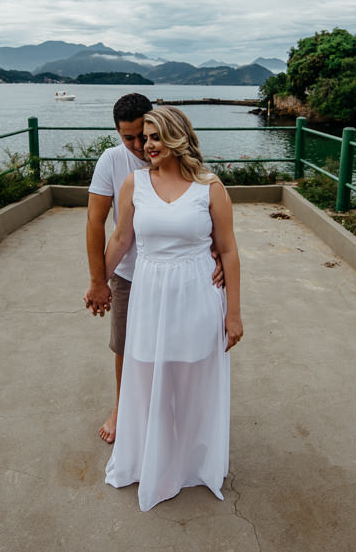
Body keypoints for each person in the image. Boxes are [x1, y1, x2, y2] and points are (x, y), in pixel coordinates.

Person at [102, 106, 243, 511]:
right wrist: (98, 281)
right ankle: (153, 457)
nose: (146, 145)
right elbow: (120, 240)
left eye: (154, 137)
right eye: (143, 138)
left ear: (177, 138)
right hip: (149, 297)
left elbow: (230, 251)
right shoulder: (134, 184)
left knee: (189, 377)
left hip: (197, 294)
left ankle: (188, 462)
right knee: (146, 374)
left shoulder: (210, 187)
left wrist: (233, 313)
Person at [84, 93, 153, 444]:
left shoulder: (170, 153)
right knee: (124, 346)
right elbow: (96, 221)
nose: (139, 145)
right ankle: (121, 407)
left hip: (171, 272)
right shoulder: (112, 160)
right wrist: (99, 280)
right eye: (129, 137)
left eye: (144, 134)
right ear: (117, 133)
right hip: (128, 271)